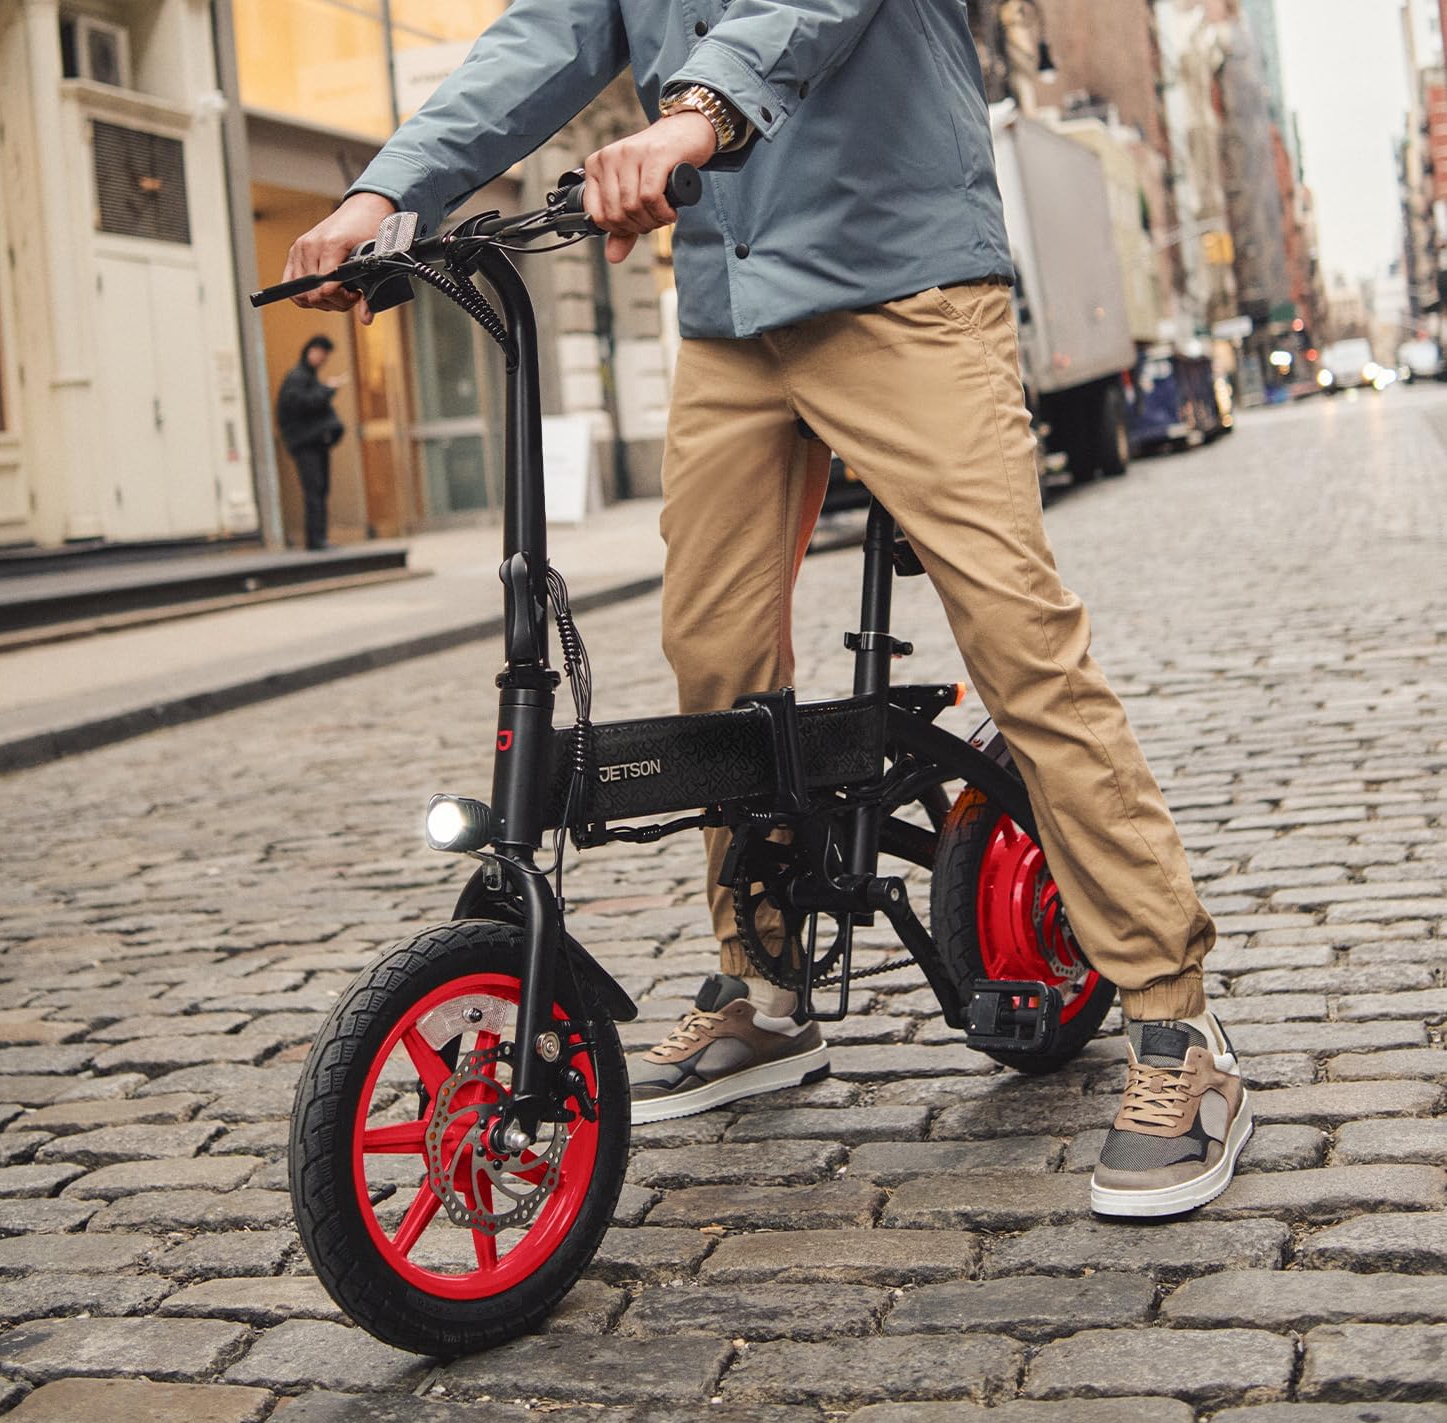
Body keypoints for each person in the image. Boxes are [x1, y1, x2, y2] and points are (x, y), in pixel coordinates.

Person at [283, 0, 1249, 1217]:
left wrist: (694, 113)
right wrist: (390, 194)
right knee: (716, 658)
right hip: (733, 312)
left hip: (904, 279)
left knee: (1020, 640)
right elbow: (549, 34)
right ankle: (767, 986)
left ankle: (1177, 1022)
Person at [276, 335, 345, 550]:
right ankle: (316, 540)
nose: (324, 359)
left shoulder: (306, 377)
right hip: (306, 443)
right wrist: (327, 389)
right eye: (323, 354)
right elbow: (302, 405)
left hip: (312, 442)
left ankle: (318, 538)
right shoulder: (298, 377)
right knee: (315, 490)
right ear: (312, 351)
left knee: (319, 489)